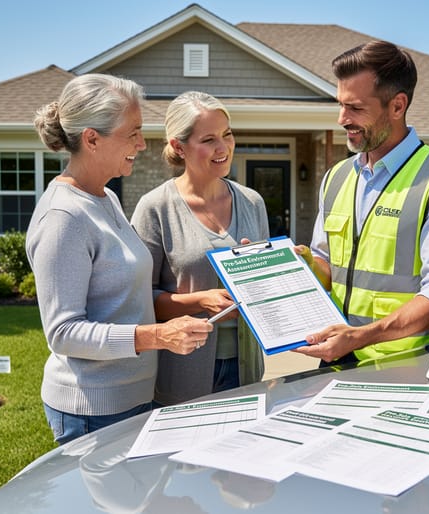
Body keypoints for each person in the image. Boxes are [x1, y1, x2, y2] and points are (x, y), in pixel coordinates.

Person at [28, 74, 212, 445]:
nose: (142, 144)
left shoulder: (106, 198)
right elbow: (63, 333)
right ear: (92, 139)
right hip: (91, 410)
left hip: (132, 398)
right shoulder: (63, 217)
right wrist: (158, 336)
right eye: (133, 133)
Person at [295, 40, 429, 367]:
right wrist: (298, 265)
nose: (341, 119)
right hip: (336, 363)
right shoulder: (335, 178)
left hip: (407, 370)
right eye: (340, 105)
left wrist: (361, 335)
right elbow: (328, 266)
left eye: (355, 108)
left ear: (397, 106)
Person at [131, 91, 269, 406]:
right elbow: (139, 301)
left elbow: (262, 289)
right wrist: (200, 301)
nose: (223, 148)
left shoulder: (252, 203)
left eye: (227, 134)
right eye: (208, 140)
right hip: (183, 372)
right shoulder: (155, 208)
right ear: (179, 147)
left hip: (246, 370)